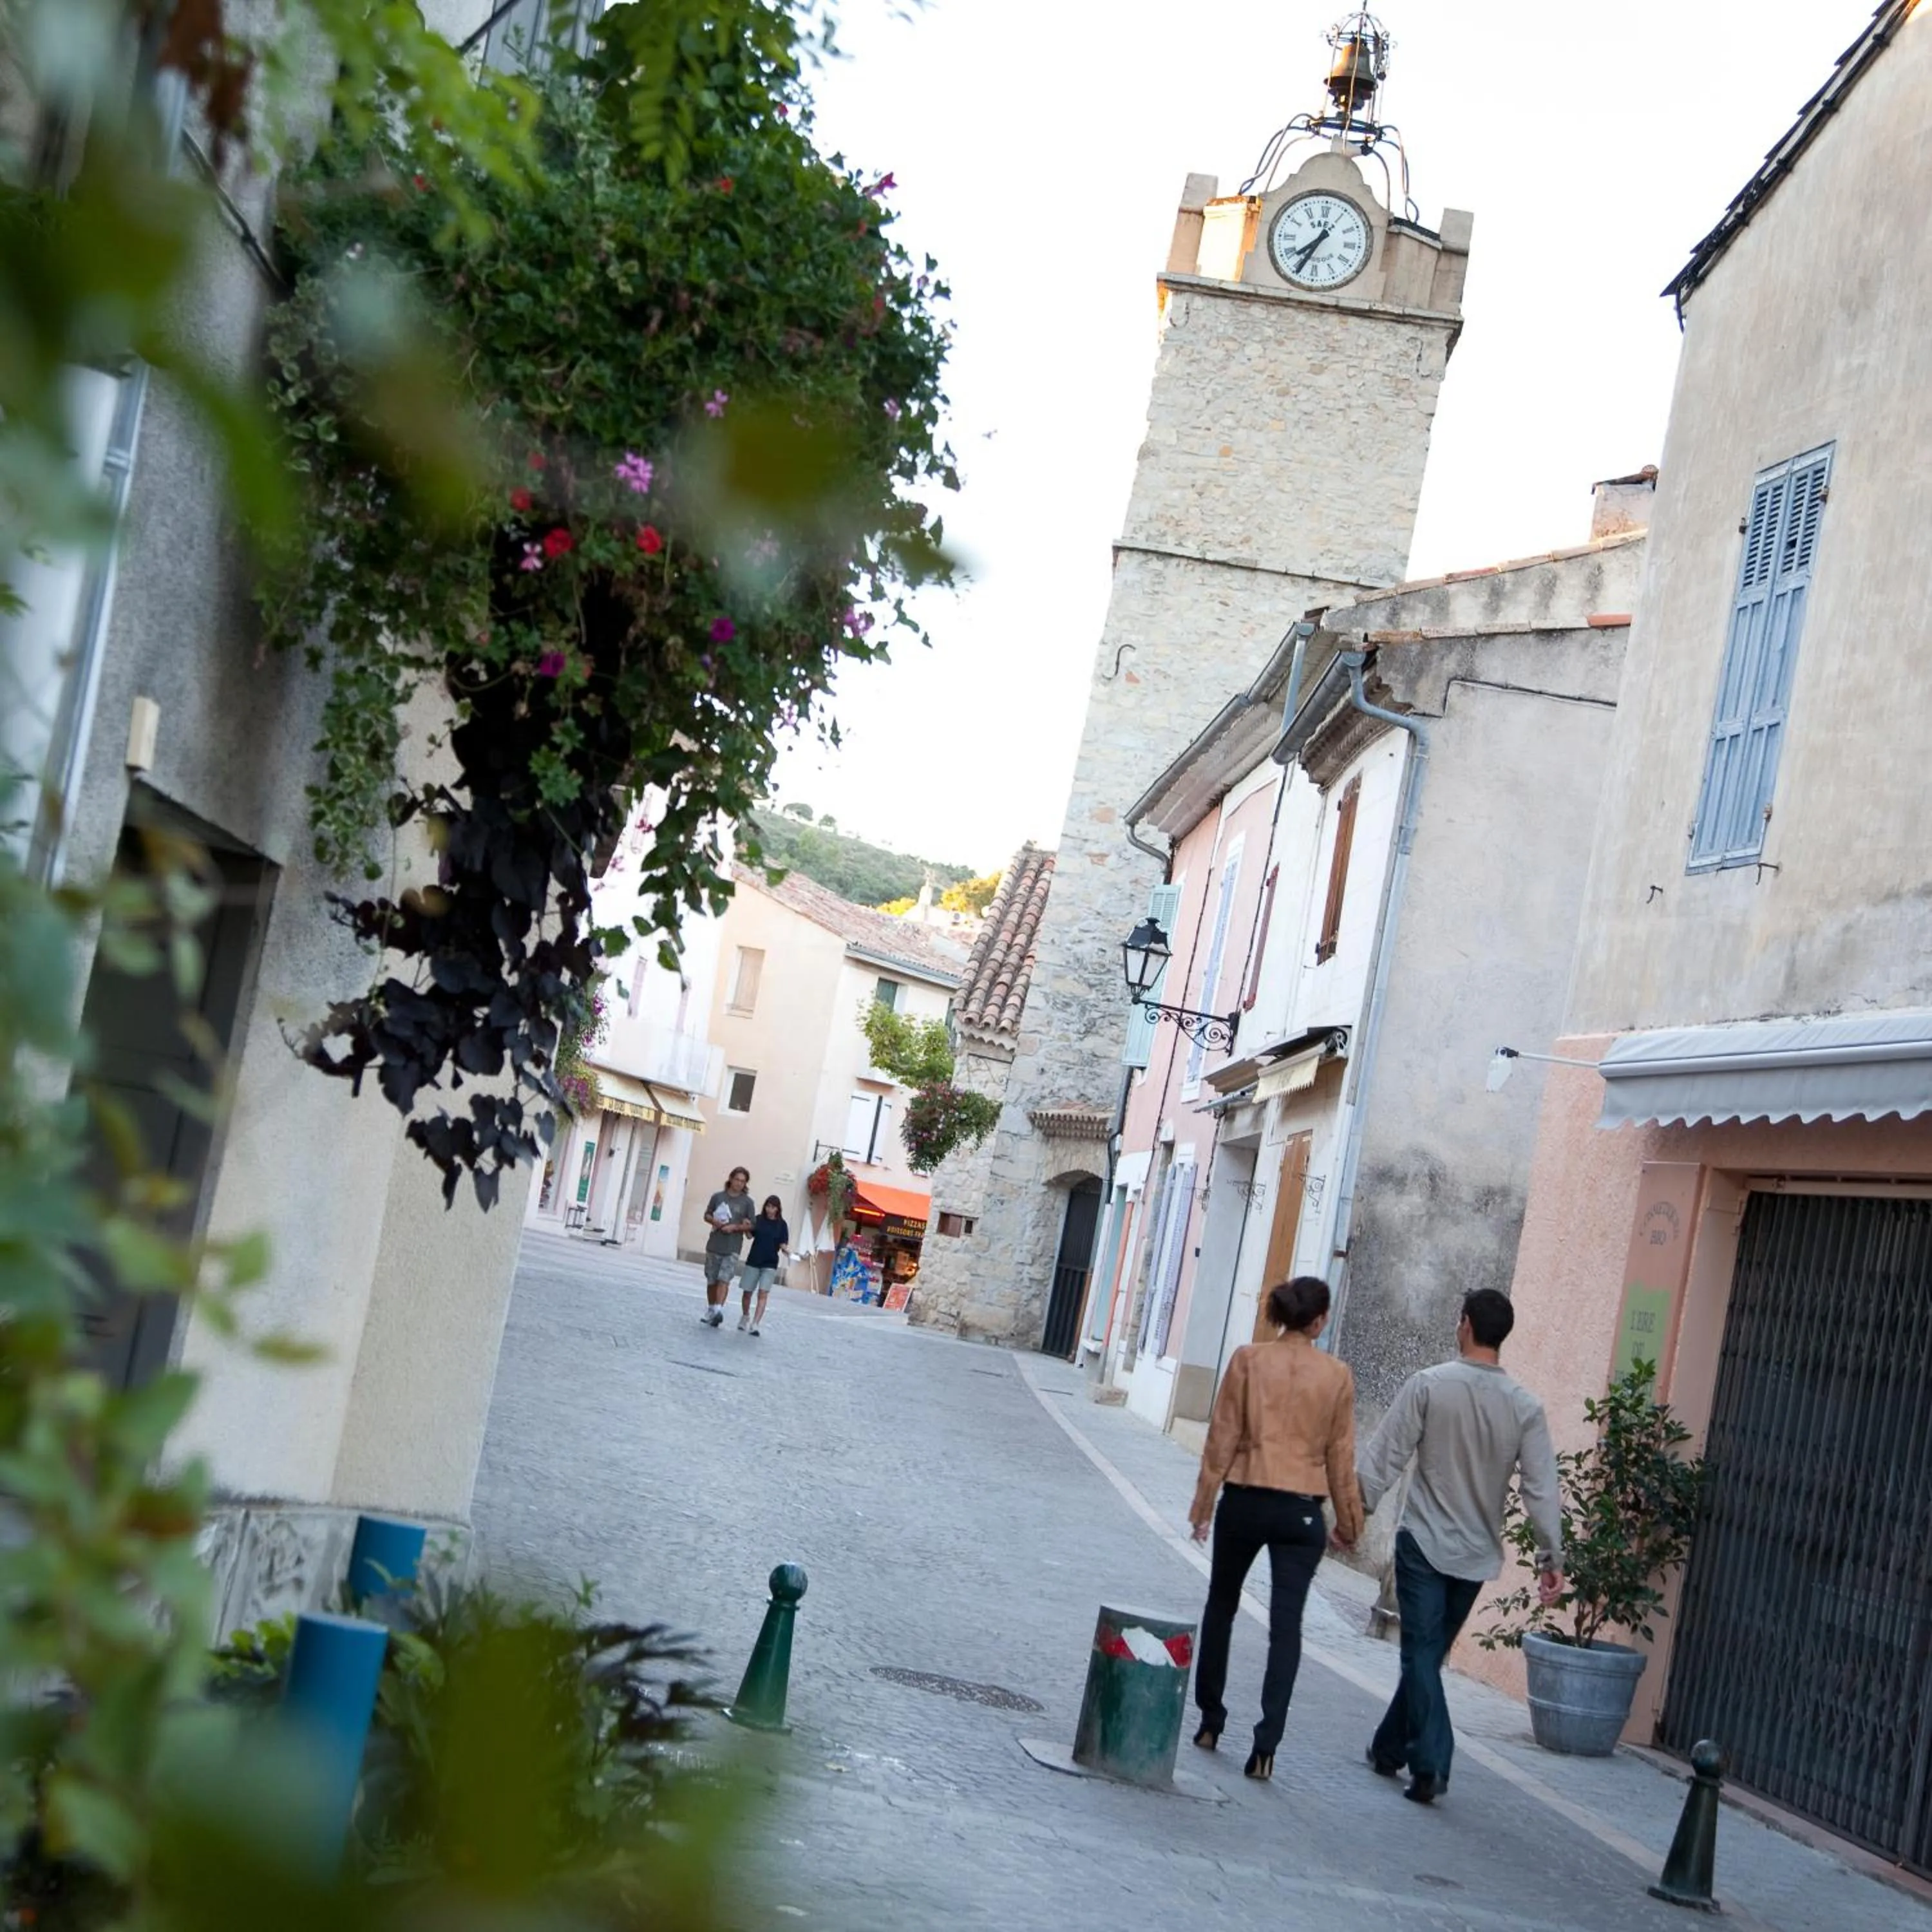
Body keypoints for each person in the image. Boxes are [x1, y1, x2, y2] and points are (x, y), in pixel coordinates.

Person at [1356, 1286, 1565, 1806]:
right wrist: (1551, 1558)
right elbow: (1541, 1488)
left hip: (1423, 1540)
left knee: (1420, 1655)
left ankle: (1432, 1764)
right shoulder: (1526, 1407)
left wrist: (1353, 1511)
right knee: (1428, 1655)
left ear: (1465, 1324)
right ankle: (1387, 1749)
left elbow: (1385, 1457)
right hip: (1476, 1555)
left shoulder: (1429, 1385)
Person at [1188, 1276, 1364, 1783]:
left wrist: (1203, 1507)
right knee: (1287, 1628)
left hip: (1244, 1500)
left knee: (1221, 1606)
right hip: (1300, 1512)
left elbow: (1222, 1438)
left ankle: (1210, 1721)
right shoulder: (1337, 1376)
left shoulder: (1247, 1360)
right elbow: (1341, 1457)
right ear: (1319, 1320)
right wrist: (1349, 1525)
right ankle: (1266, 1748)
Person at [699, 1167, 755, 1327]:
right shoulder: (718, 1197)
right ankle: (711, 1309)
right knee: (712, 1280)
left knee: (724, 1279)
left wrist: (736, 1227)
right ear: (731, 1179)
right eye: (737, 1179)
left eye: (743, 1181)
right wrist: (715, 1221)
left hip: (733, 1247)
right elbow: (707, 1215)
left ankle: (718, 1310)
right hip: (715, 1243)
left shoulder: (747, 1203)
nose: (739, 1183)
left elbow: (751, 1225)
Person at [738, 1196, 790, 1335]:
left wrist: (786, 1250)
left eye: (773, 1207)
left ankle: (756, 1324)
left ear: (778, 1209)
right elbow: (750, 1236)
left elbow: (783, 1243)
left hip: (770, 1263)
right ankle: (745, 1316)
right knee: (747, 1292)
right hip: (754, 1260)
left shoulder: (782, 1225)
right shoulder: (759, 1219)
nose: (770, 1210)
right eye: (768, 1206)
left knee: (763, 1293)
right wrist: (746, 1227)